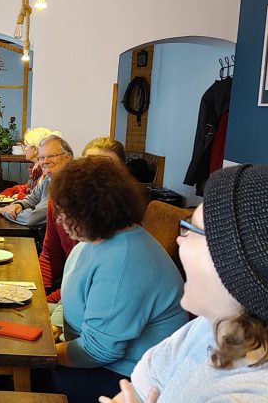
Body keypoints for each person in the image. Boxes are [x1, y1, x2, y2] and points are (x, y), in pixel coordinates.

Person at [100, 165, 268, 403]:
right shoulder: (211, 327)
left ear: (240, 264)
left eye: (191, 228)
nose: (179, 240)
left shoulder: (266, 394)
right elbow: (135, 392)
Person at [43, 156, 187, 402]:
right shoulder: (95, 242)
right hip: (97, 360)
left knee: (18, 378)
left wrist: (42, 354)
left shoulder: (125, 259)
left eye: (65, 212)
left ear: (90, 211)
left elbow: (98, 351)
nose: (58, 219)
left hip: (126, 379)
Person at [40, 137, 126, 303]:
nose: (95, 176)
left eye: (106, 170)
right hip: (69, 289)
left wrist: (47, 302)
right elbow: (51, 254)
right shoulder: (57, 198)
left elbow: (88, 284)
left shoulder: (121, 221)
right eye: (89, 167)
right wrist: (37, 293)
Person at [1, 135, 73, 228]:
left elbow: (33, 218)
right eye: (41, 157)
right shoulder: (49, 178)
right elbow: (32, 199)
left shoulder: (69, 184)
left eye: (51, 156)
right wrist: (18, 205)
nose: (45, 161)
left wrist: (7, 212)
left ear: (67, 158)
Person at [0, 127, 62, 200]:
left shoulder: (46, 170)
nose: (24, 149)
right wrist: (12, 190)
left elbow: (42, 199)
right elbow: (29, 187)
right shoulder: (35, 167)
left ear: (35, 149)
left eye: (26, 145)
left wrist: (20, 196)